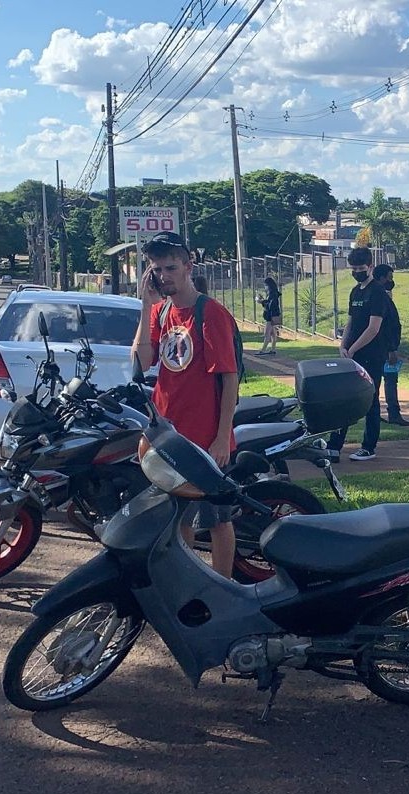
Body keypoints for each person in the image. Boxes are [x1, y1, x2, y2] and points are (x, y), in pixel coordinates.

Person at [131, 231, 239, 578]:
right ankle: (190, 580)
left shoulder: (211, 313)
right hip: (168, 436)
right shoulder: (161, 312)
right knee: (179, 518)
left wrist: (222, 437)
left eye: (171, 267)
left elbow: (228, 378)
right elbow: (141, 362)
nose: (164, 276)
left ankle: (223, 586)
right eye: (157, 269)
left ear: (188, 266)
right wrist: (146, 304)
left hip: (205, 440)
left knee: (217, 520)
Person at [328, 246, 389, 461]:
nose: (356, 272)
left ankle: (368, 447)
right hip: (352, 355)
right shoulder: (356, 292)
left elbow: (373, 328)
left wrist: (353, 349)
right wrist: (343, 345)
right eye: (353, 268)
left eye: (360, 268)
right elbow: (352, 321)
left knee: (370, 400)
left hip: (372, 355)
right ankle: (334, 446)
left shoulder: (378, 293)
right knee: (344, 399)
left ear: (370, 266)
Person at [372, 263, 409, 427]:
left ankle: (377, 412)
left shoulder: (379, 295)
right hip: (383, 347)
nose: (391, 281)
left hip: (381, 346)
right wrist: (391, 349)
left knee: (380, 380)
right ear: (382, 278)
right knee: (388, 380)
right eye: (389, 277)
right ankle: (393, 413)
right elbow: (386, 326)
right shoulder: (380, 297)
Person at [255, 277, 282, 355]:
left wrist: (261, 302)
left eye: (266, 285)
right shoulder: (273, 293)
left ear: (268, 285)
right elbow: (269, 303)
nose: (265, 287)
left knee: (267, 333)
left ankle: (263, 350)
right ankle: (273, 349)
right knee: (273, 333)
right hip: (273, 315)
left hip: (271, 316)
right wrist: (264, 301)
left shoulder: (272, 293)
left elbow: (270, 305)